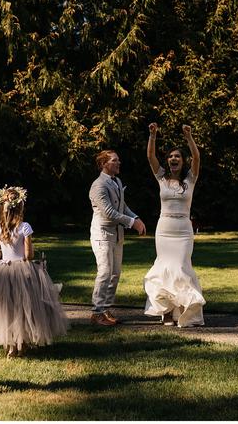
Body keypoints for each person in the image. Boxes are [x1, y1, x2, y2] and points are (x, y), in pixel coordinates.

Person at [0, 186, 69, 358]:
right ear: (20, 207)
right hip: (22, 270)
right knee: (24, 308)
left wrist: (4, 252)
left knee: (6, 308)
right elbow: (29, 255)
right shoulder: (25, 227)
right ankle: (22, 344)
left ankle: (10, 346)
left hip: (2, 271)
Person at [143, 123, 205, 327]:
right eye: (170, 157)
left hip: (184, 232)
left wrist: (189, 137)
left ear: (182, 160)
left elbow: (197, 158)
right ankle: (167, 313)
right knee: (165, 268)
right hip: (164, 230)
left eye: (177, 156)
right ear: (167, 162)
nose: (173, 159)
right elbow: (150, 157)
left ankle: (185, 311)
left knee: (180, 268)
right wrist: (152, 135)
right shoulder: (161, 178)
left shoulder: (190, 179)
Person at [89, 150, 146, 326]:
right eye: (115, 160)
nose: (119, 163)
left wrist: (135, 218)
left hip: (117, 236)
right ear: (104, 164)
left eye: (118, 160)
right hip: (102, 235)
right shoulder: (98, 185)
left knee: (115, 274)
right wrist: (131, 223)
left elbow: (122, 206)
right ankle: (96, 313)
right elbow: (109, 213)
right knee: (105, 272)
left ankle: (105, 309)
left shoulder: (117, 181)